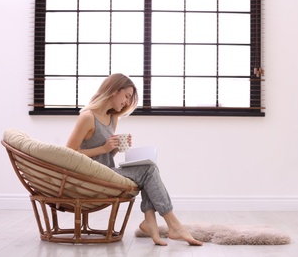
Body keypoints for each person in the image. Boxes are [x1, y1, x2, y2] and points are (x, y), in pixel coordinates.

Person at [66, 73, 202, 246]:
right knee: (148, 170)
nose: (127, 102)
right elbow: (68, 154)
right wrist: (104, 148)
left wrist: (114, 148)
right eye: (127, 96)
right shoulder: (87, 116)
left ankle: (151, 222)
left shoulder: (112, 118)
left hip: (106, 172)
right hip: (90, 177)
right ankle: (172, 224)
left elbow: (106, 156)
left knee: (148, 167)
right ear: (114, 90)